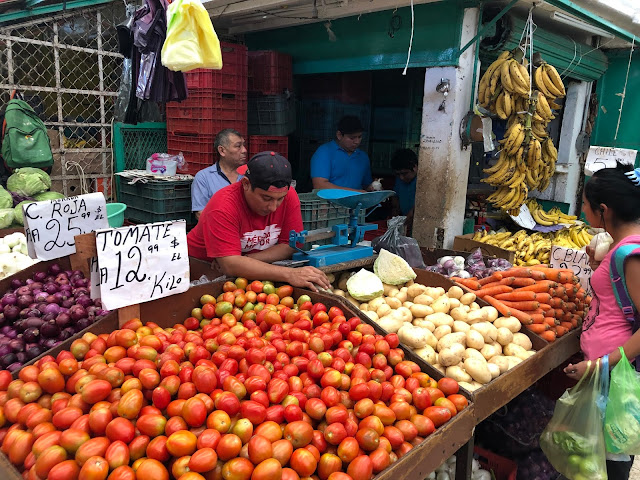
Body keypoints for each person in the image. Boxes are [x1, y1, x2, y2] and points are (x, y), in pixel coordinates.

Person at [563, 163, 640, 480]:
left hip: (615, 375)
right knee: (592, 460)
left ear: (604, 210)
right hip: (608, 372)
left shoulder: (630, 254)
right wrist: (599, 263)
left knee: (608, 462)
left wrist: (598, 366)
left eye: (584, 205)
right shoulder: (621, 248)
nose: (582, 211)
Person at [187, 151, 331, 291]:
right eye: (266, 198)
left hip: (245, 274)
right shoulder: (223, 206)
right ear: (246, 184)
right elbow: (229, 265)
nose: (273, 207)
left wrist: (247, 260)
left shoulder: (288, 195)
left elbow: (291, 244)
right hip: (200, 269)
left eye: (280, 199)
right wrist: (289, 274)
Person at [191, 129, 247, 220]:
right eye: (238, 146)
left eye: (244, 145)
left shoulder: (250, 174)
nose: (244, 150)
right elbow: (201, 214)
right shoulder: (204, 177)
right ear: (222, 150)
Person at [310, 115, 373, 192]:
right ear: (339, 135)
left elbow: (366, 185)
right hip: (330, 203)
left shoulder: (363, 157)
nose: (357, 142)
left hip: (357, 203)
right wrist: (355, 193)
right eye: (352, 138)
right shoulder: (324, 153)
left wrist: (373, 188)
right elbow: (319, 185)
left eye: (359, 137)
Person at [390, 148, 418, 229]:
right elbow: (395, 197)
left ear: (415, 167)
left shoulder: (422, 181)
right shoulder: (399, 180)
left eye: (405, 173)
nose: (401, 178)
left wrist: (407, 219)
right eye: (398, 174)